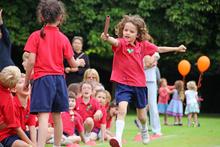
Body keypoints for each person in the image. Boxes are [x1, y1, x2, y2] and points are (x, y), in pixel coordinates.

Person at [100, 14, 186, 147]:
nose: (127, 33)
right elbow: (114, 41)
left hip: (139, 84)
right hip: (123, 84)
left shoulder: (143, 45)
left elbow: (159, 49)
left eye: (131, 31)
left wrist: (176, 48)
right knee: (121, 109)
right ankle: (117, 138)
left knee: (142, 116)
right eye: (125, 30)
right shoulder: (121, 43)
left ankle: (144, 129)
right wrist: (107, 38)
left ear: (138, 34)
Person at [23, 0, 85, 147]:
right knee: (57, 116)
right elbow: (73, 64)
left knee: (43, 116)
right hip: (59, 80)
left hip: (42, 79)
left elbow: (31, 62)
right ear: (60, 17)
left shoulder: (35, 36)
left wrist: (26, 81)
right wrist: (79, 63)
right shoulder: (63, 38)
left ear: (42, 17)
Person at [0, 66, 36, 147]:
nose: (25, 84)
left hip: (21, 133)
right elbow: (15, 127)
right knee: (25, 145)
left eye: (26, 82)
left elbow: (32, 125)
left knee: (45, 132)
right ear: (13, 89)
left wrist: (34, 144)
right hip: (7, 135)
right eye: (20, 82)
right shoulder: (10, 102)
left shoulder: (30, 102)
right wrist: (31, 144)